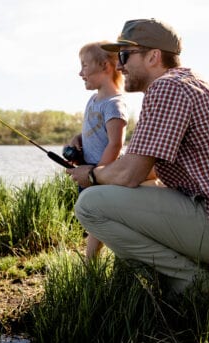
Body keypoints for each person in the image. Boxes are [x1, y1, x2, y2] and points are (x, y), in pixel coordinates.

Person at [66, 18, 209, 297]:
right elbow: (146, 169)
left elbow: (129, 173)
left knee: (90, 204)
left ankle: (195, 286)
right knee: (129, 189)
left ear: (153, 56)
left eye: (125, 56)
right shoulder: (190, 84)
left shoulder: (168, 88)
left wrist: (92, 175)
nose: (119, 66)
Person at [65, 41, 128, 259]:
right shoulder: (94, 99)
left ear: (105, 66)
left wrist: (97, 173)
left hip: (101, 175)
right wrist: (78, 138)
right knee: (93, 221)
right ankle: (90, 263)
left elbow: (115, 143)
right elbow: (95, 131)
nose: (80, 72)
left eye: (84, 66)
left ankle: (91, 264)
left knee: (98, 221)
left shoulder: (114, 104)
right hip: (88, 172)